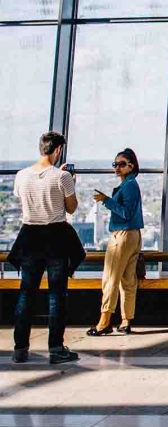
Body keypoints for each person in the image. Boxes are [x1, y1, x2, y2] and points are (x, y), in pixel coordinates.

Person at [9, 131, 83, 364]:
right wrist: (70, 182)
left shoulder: (21, 176)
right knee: (57, 296)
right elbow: (71, 208)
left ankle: (20, 348)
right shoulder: (62, 177)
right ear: (58, 150)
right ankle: (56, 348)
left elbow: (21, 200)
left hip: (29, 237)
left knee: (26, 294)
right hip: (55, 239)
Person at [87, 148, 145, 336]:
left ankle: (104, 322)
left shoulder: (128, 186)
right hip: (133, 235)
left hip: (122, 235)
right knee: (128, 280)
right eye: (115, 164)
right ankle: (126, 320)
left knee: (110, 278)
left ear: (131, 166)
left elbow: (126, 213)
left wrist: (107, 200)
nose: (117, 168)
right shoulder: (131, 185)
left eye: (121, 164)